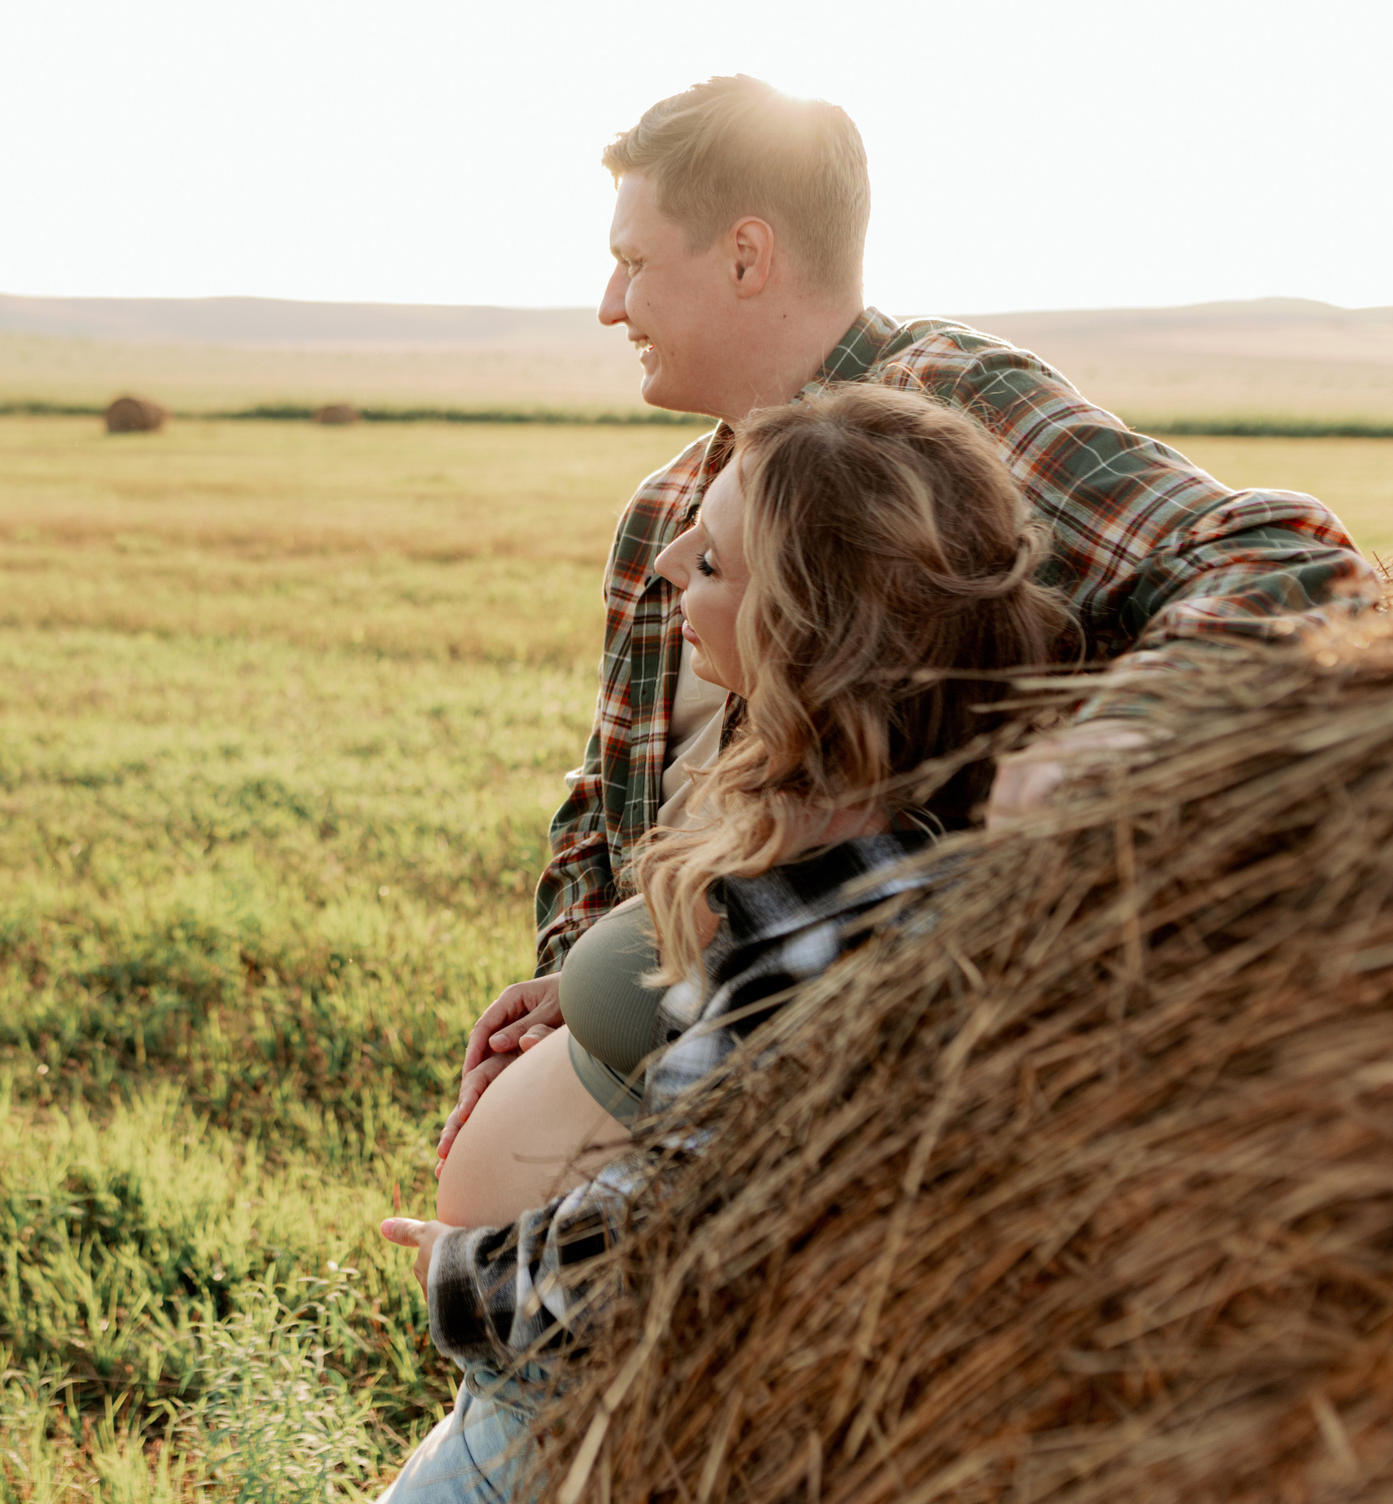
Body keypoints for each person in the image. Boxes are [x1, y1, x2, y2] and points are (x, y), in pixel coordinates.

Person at [375, 74, 1380, 1501]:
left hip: (793, 1242)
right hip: (598, 1254)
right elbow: (617, 803)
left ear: (743, 254)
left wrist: (1077, 769)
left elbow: (1282, 562)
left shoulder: (944, 420)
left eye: (629, 259)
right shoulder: (670, 509)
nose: (607, 304)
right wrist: (573, 987)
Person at [372, 383, 1072, 1502]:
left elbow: (695, 1242)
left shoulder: (858, 901)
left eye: (709, 566)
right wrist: (599, 987)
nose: (668, 571)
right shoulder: (814, 794)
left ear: (805, 621)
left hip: (563, 1426)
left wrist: (470, 1273)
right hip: (532, 1412)